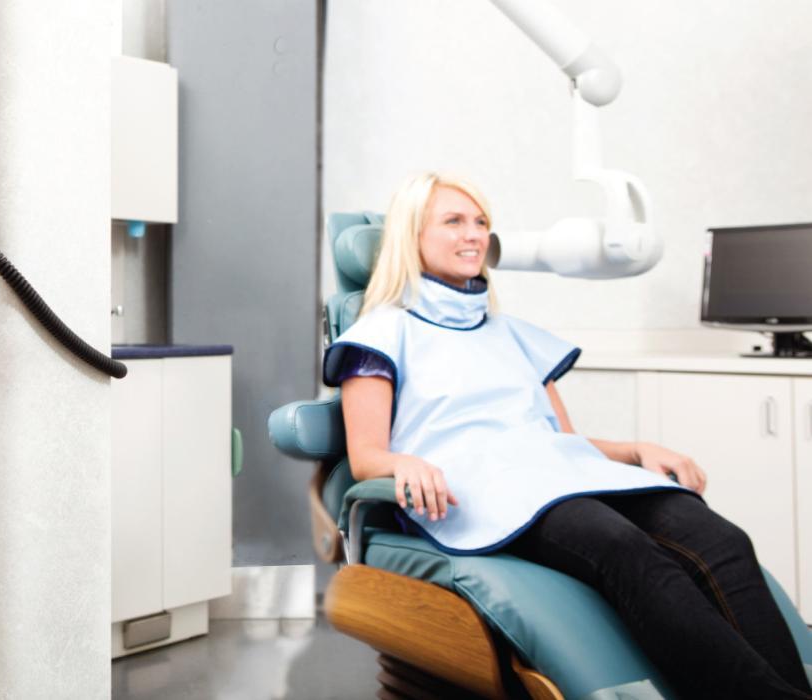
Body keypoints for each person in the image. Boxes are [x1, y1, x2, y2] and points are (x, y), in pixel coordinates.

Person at [323, 172, 812, 699]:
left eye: (481, 222)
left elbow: (563, 441)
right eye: (454, 222)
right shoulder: (381, 335)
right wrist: (403, 464)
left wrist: (634, 450)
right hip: (482, 492)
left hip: (556, 476)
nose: (474, 235)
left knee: (723, 540)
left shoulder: (511, 334)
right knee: (621, 547)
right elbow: (366, 456)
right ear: (412, 235)